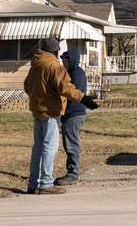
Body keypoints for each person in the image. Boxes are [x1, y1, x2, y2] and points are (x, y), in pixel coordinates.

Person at [24, 38, 97, 195]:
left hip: (37, 112)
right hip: (51, 113)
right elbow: (66, 88)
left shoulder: (35, 66)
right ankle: (45, 183)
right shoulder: (54, 66)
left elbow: (26, 87)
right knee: (49, 147)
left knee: (37, 148)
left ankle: (33, 183)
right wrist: (83, 99)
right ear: (55, 51)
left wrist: (39, 98)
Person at [56, 50, 89, 186]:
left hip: (74, 114)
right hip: (68, 114)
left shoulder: (78, 74)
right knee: (68, 143)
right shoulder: (68, 73)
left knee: (71, 144)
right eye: (63, 60)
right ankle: (71, 171)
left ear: (73, 60)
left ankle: (72, 173)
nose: (64, 63)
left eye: (66, 60)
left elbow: (75, 96)